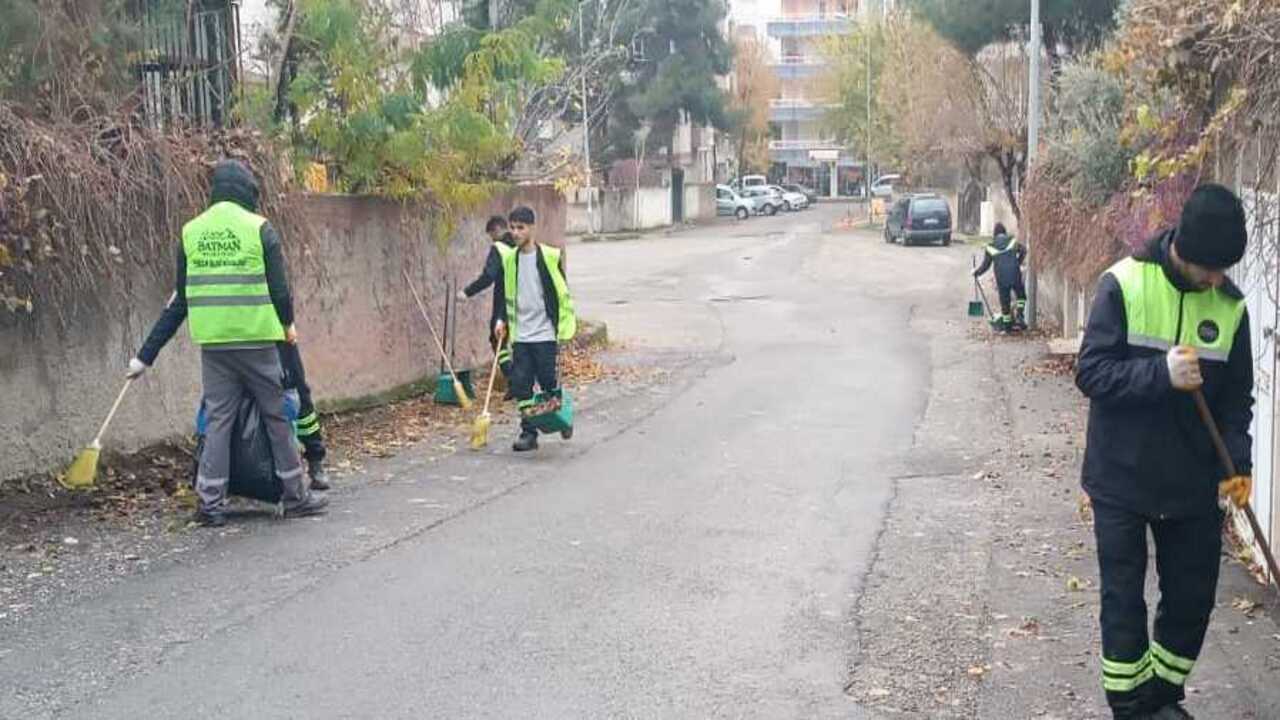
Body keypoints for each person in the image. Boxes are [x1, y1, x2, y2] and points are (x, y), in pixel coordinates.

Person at [1075, 184, 1254, 720]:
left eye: (1225, 269)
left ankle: (1161, 697)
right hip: (1121, 479)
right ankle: (1130, 705)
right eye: (1211, 269)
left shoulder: (1230, 307)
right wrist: (1159, 373)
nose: (1218, 280)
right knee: (1123, 600)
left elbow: (1237, 400)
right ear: (1186, 248)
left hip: (1191, 483)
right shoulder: (1124, 284)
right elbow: (1092, 371)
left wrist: (1238, 467)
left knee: (1192, 598)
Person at [128, 159, 328, 527]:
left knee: (218, 420)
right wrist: (287, 325)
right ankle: (295, 495)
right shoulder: (259, 229)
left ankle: (210, 502)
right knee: (276, 417)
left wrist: (145, 357)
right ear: (248, 193)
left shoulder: (191, 232)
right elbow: (280, 290)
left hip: (215, 347)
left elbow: (181, 301)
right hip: (257, 341)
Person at [491, 206, 576, 452]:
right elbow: (503, 295)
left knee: (548, 381)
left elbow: (560, 293)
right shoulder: (509, 260)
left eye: (521, 227)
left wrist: (563, 327)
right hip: (521, 334)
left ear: (532, 229)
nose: (515, 232)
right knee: (520, 384)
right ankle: (529, 432)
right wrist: (500, 320)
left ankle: (562, 418)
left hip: (546, 332)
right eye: (513, 227)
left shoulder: (549, 256)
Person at [459, 215, 518, 394]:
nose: (491, 239)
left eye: (491, 234)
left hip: (504, 303)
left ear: (496, 230)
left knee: (497, 340)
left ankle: (514, 381)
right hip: (523, 301)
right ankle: (522, 381)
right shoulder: (518, 245)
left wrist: (467, 292)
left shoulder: (498, 248)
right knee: (518, 343)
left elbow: (488, 277)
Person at [278, 341, 329, 490]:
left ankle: (315, 460)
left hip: (278, 339)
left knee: (299, 395)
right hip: (240, 342)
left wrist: (288, 327)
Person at [972, 222, 1027, 331]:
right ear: (1004, 232)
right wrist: (1018, 262)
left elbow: (986, 265)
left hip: (1001, 278)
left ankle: (1007, 328)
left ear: (994, 234)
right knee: (1021, 296)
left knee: (1005, 303)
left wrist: (976, 273)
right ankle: (1020, 315)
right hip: (1015, 273)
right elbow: (1024, 250)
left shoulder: (990, 247)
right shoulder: (1012, 240)